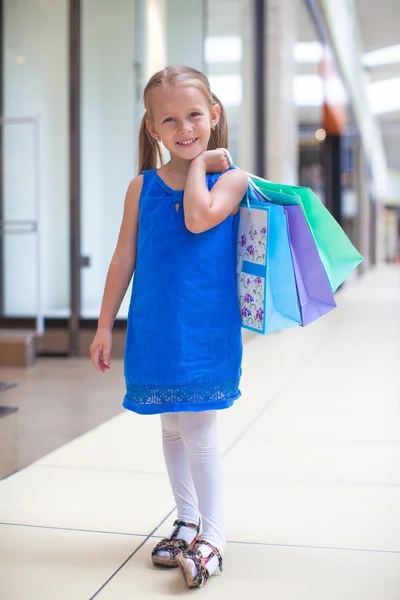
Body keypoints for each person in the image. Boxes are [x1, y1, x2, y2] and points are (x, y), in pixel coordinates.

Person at [90, 65, 248, 589]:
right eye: (171, 120)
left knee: (199, 429)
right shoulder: (142, 187)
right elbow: (121, 261)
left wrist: (202, 162)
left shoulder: (232, 179)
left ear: (215, 115)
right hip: (157, 327)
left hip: (205, 327)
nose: (185, 128)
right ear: (154, 128)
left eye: (195, 116)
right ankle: (184, 519)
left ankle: (214, 536)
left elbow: (199, 217)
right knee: (171, 427)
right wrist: (103, 326)